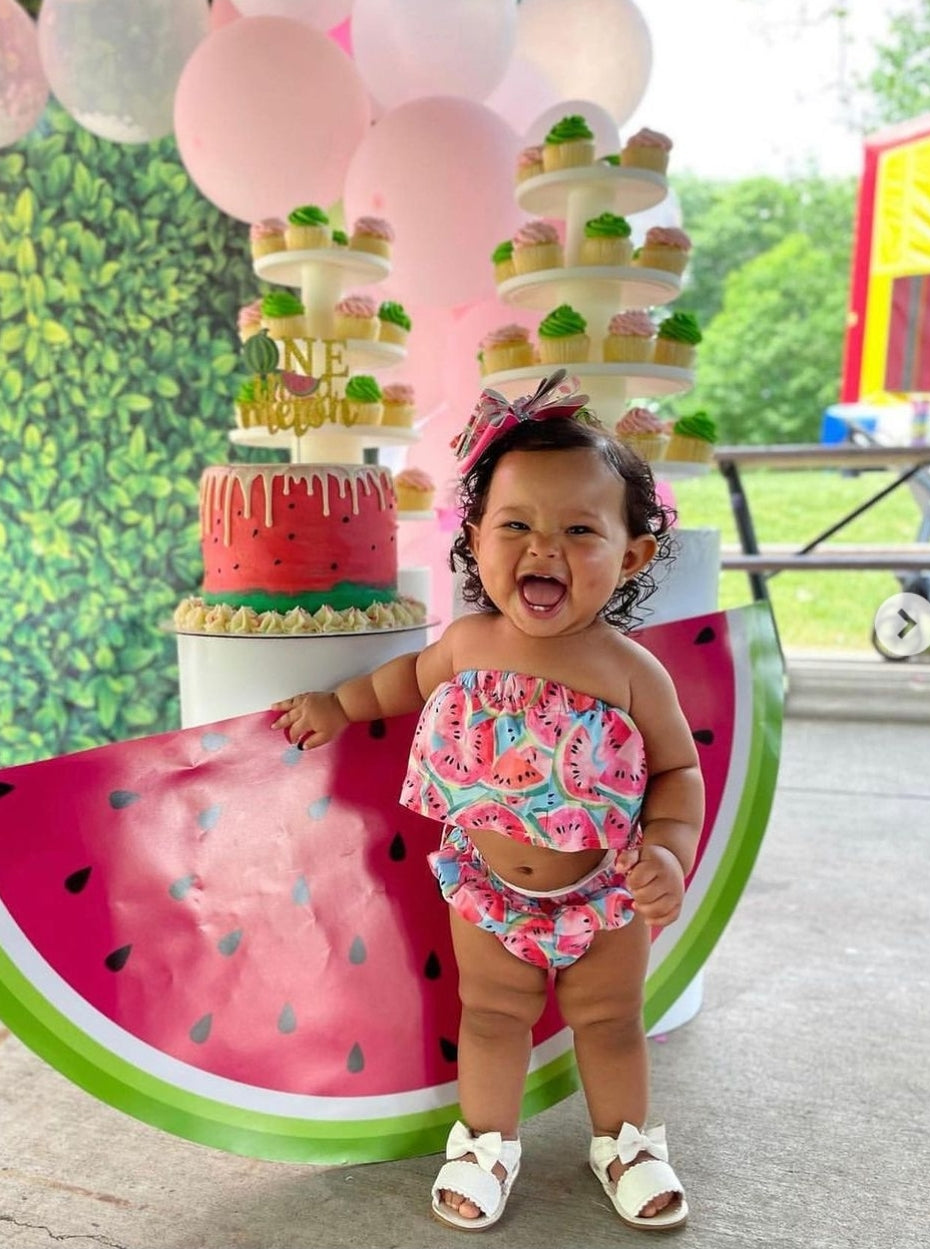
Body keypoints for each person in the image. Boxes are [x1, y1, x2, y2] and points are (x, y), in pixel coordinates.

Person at [271, 371, 704, 1232]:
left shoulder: (630, 669)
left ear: (632, 554)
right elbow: (401, 680)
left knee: (611, 1018)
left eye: (580, 529)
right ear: (473, 536)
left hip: (608, 891)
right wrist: (336, 704)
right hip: (488, 886)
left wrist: (667, 852)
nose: (543, 548)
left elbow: (678, 772)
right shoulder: (467, 642)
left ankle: (626, 1141)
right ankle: (484, 1142)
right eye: (517, 525)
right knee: (495, 1012)